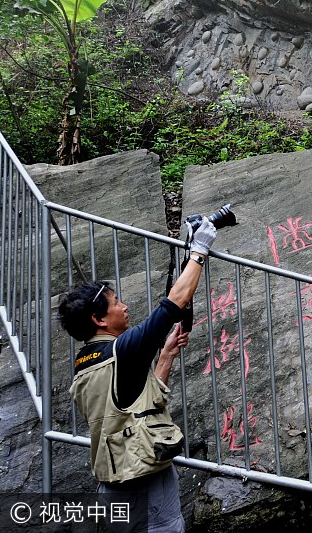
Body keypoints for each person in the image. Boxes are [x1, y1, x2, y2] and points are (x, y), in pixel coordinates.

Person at [58, 219, 218, 532]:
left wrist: (167, 354)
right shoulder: (123, 350)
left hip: (114, 481)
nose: (126, 307)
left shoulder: (85, 362)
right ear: (99, 319)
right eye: (117, 303)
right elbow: (176, 302)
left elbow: (135, 406)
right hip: (147, 482)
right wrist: (199, 251)